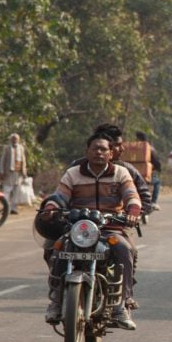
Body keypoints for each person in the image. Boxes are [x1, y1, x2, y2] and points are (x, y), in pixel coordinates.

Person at [43, 132, 141, 329]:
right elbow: (60, 195)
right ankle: (55, 301)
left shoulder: (120, 173)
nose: (99, 152)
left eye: (103, 149)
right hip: (79, 228)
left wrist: (132, 210)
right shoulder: (73, 173)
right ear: (87, 152)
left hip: (110, 227)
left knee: (125, 249)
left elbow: (132, 195)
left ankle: (122, 304)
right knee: (57, 249)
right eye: (94, 148)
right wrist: (51, 208)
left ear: (111, 153)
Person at [0, 133, 27, 214]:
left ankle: (14, 208)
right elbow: (2, 160)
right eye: (13, 139)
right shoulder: (7, 148)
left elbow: (23, 160)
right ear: (11, 140)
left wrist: (24, 171)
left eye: (16, 139)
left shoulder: (21, 148)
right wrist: (2, 171)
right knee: (7, 190)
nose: (15, 140)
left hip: (18, 173)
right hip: (9, 172)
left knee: (16, 191)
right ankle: (5, 208)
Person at [135, 131, 162, 210]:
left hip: (131, 174)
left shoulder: (131, 148)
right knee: (157, 183)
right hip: (145, 174)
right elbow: (157, 162)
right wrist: (158, 169)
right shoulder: (149, 148)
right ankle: (154, 202)